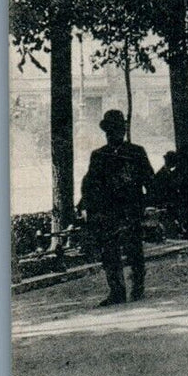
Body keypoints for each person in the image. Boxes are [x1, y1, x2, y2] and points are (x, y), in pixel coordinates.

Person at [77, 110, 155, 306]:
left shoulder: (136, 152)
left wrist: (148, 203)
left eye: (118, 129)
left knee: (134, 248)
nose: (114, 133)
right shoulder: (98, 155)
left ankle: (137, 286)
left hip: (131, 208)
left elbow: (150, 180)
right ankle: (117, 291)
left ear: (123, 130)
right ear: (106, 132)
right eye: (110, 130)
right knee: (109, 250)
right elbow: (90, 183)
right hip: (108, 211)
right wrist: (85, 204)